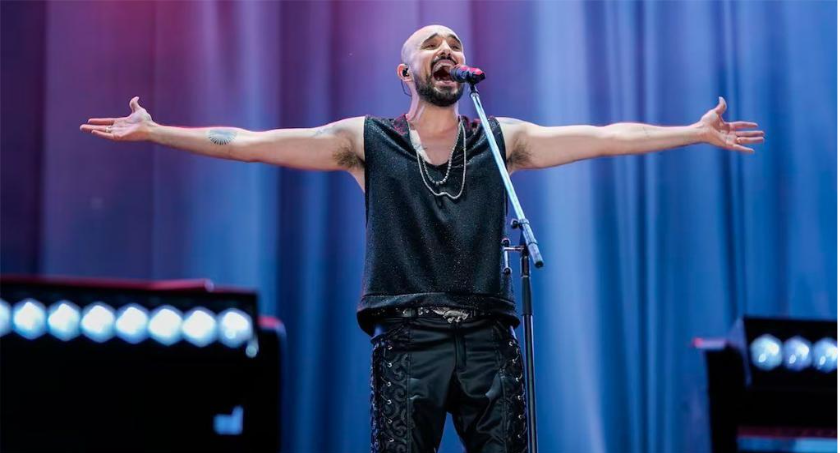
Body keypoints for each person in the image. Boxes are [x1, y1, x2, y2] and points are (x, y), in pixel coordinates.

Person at [80, 24, 764, 453]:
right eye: (432, 45)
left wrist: (691, 131)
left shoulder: (499, 140)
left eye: (455, 45)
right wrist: (159, 131)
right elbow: (252, 143)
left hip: (489, 341)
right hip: (409, 343)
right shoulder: (366, 141)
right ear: (406, 73)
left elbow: (605, 138)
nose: (448, 51)